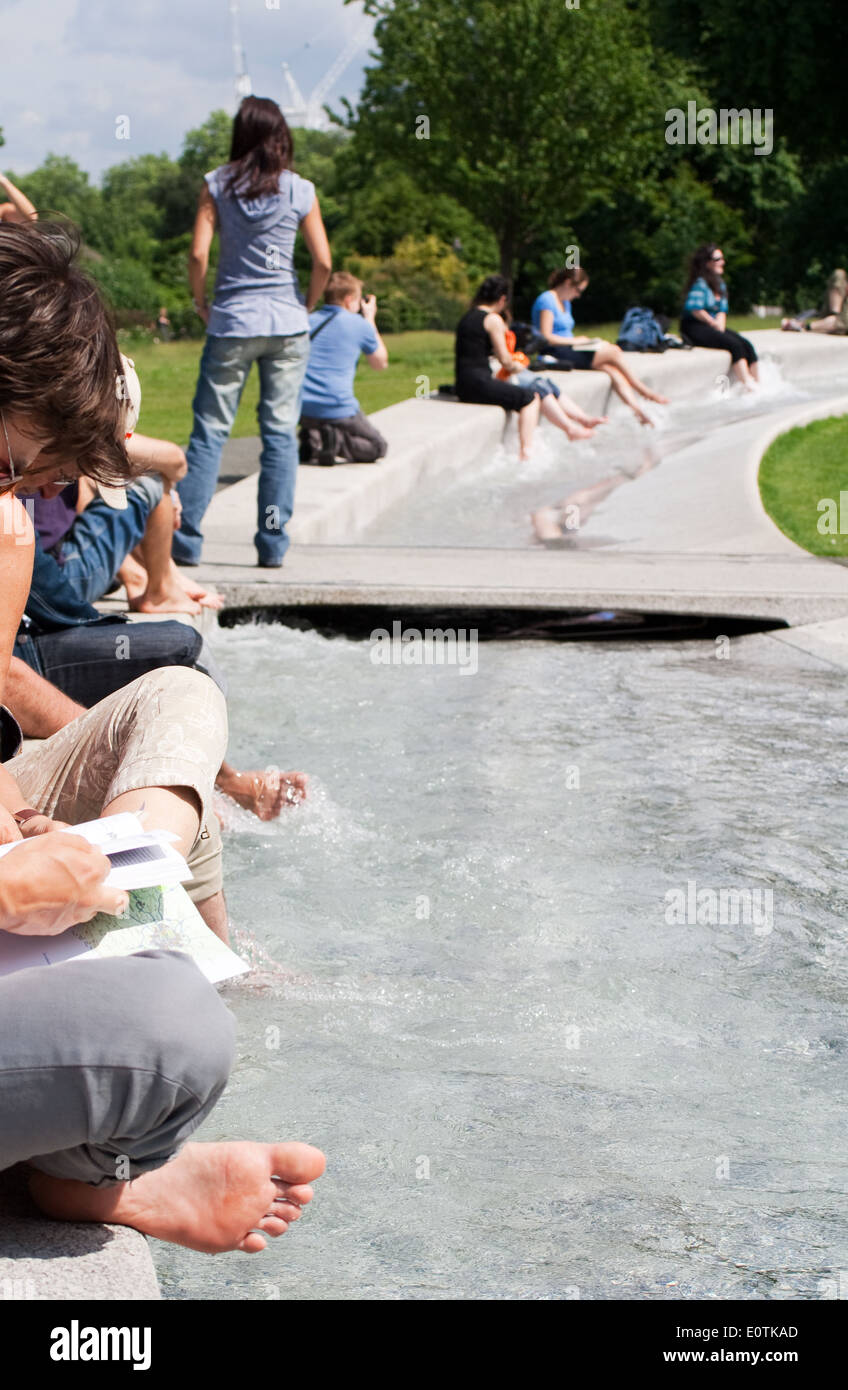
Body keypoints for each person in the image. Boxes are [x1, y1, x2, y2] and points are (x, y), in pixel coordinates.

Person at [174, 96, 332, 569]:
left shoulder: (216, 185)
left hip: (232, 321)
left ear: (240, 134)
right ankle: (271, 546)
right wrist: (307, 304)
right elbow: (323, 261)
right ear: (281, 135)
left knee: (209, 432)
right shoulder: (299, 190)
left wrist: (202, 302)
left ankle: (186, 542)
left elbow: (198, 256)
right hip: (286, 323)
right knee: (280, 434)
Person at [532, 267, 669, 426]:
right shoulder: (547, 300)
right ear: (568, 283)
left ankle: (637, 411)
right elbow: (546, 337)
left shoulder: (565, 303)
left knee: (611, 370)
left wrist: (584, 341)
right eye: (578, 290)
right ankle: (644, 391)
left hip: (569, 347)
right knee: (614, 352)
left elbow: (565, 333)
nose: (578, 295)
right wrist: (578, 341)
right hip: (555, 351)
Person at [299, 271, 389, 464]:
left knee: (319, 424)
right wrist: (370, 318)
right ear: (349, 300)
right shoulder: (358, 324)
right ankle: (334, 441)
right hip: (337, 407)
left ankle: (313, 439)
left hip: (301, 407)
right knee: (378, 447)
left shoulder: (307, 320)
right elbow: (380, 363)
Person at [455, 276, 540, 461]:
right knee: (530, 399)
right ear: (502, 299)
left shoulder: (467, 316)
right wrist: (520, 365)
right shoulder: (492, 319)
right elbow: (505, 361)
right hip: (479, 385)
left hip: (462, 385)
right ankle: (526, 451)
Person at [680, 244, 759, 389]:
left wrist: (720, 325)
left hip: (711, 325)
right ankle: (748, 384)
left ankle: (757, 381)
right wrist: (713, 323)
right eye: (718, 259)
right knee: (734, 345)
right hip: (695, 326)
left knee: (746, 345)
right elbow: (695, 309)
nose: (723, 262)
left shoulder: (719, 284)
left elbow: (722, 309)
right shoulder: (700, 284)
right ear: (707, 263)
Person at [781, 269, 848, 335]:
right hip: (837, 314)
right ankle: (834, 315)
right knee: (839, 274)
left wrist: (808, 327)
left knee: (841, 322)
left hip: (839, 321)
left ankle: (802, 326)